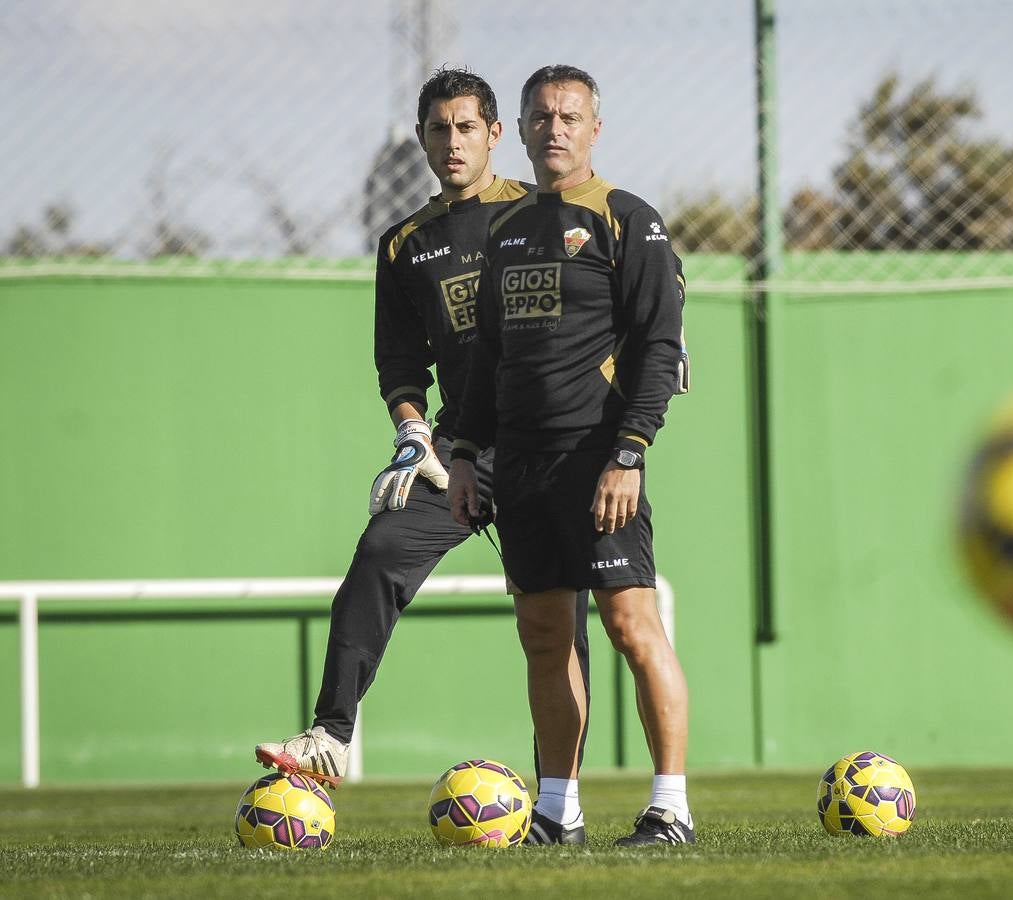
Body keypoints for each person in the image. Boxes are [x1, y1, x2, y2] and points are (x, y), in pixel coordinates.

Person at [254, 67, 591, 792]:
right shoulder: (404, 243)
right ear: (421, 140)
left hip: (549, 448)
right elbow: (400, 361)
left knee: (560, 622)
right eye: (439, 129)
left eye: (467, 127)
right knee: (380, 552)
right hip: (458, 454)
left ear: (496, 134)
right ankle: (330, 737)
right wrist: (414, 433)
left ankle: (560, 801)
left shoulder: (546, 212)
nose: (453, 142)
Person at [447, 64, 693, 847]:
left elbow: (659, 346)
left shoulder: (630, 219)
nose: (555, 128)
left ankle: (671, 808)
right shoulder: (505, 231)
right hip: (520, 467)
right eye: (541, 117)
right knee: (546, 637)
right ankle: (559, 813)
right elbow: (486, 358)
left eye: (570, 116)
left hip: (600, 462)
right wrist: (461, 453)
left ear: (594, 129)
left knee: (630, 625)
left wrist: (631, 450)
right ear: (517, 131)